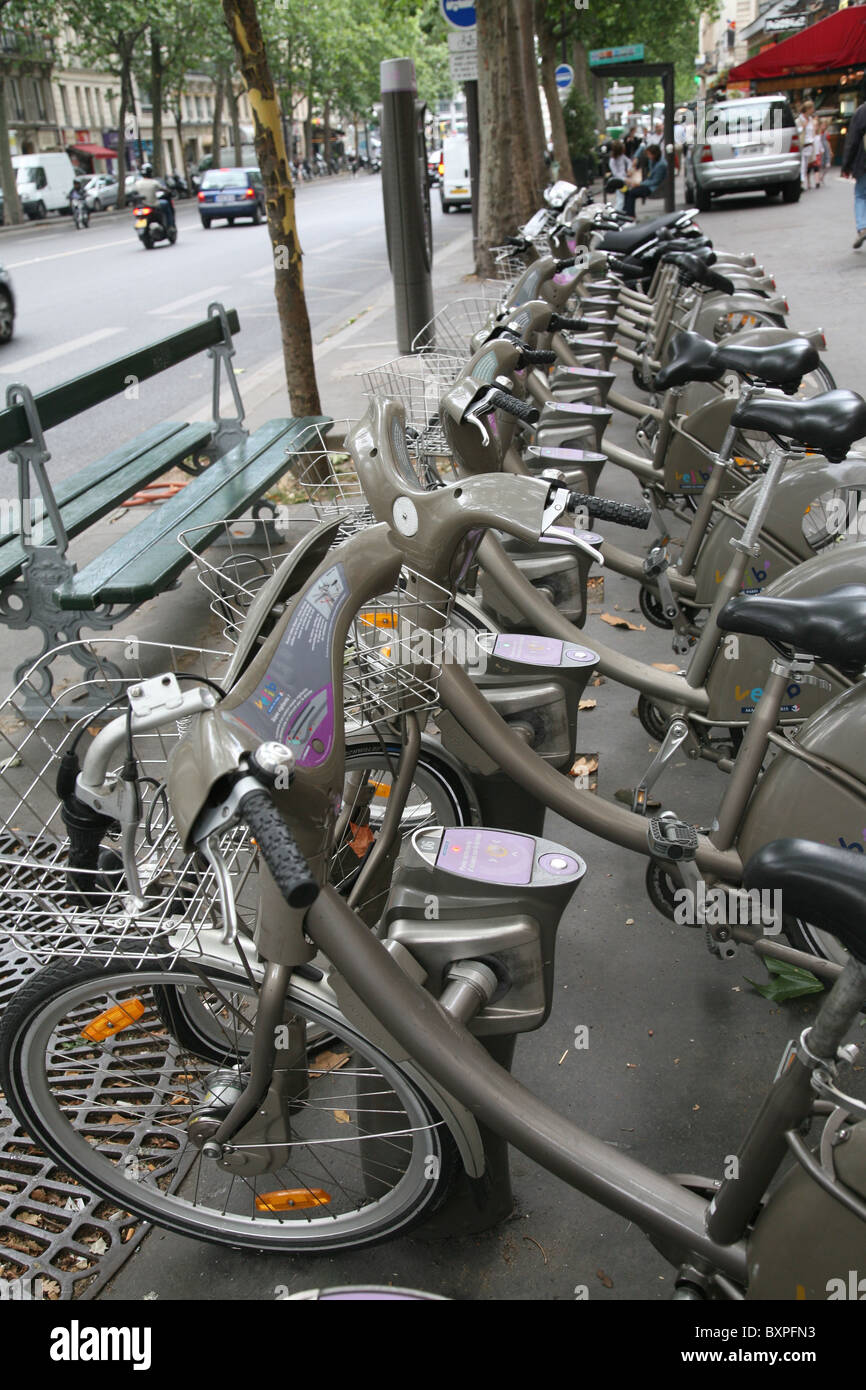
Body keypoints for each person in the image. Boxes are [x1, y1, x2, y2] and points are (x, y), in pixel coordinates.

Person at [841, 95, 866, 248]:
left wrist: (846, 165)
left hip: (864, 162)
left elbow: (853, 141)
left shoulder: (861, 112)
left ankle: (862, 227)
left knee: (861, 194)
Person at [622, 143, 667, 217]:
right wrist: (636, 158)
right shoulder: (653, 160)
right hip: (648, 184)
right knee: (628, 191)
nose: (648, 157)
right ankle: (626, 213)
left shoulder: (661, 165)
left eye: (649, 155)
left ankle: (630, 215)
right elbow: (642, 147)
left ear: (654, 154)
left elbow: (655, 181)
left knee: (632, 193)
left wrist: (640, 184)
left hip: (652, 188)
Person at [136, 163, 175, 230]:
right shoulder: (154, 182)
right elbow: (163, 189)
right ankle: (170, 225)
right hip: (154, 204)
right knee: (166, 204)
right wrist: (169, 191)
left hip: (142, 205)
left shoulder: (137, 183)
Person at [796, 99, 817, 190]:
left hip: (810, 144)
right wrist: (803, 127)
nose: (813, 110)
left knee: (806, 165)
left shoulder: (811, 119)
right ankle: (800, 183)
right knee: (802, 165)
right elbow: (796, 132)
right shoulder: (799, 120)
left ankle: (803, 182)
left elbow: (812, 132)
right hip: (802, 145)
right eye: (812, 108)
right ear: (808, 109)